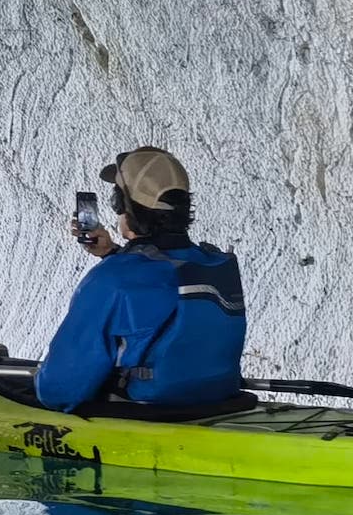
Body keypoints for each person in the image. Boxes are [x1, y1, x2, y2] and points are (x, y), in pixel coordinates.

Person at [35, 146, 246, 411]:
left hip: (145, 411)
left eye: (117, 201)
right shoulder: (215, 262)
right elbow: (161, 285)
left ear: (125, 205)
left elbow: (60, 389)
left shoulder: (112, 280)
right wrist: (113, 254)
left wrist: (117, 263)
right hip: (219, 403)